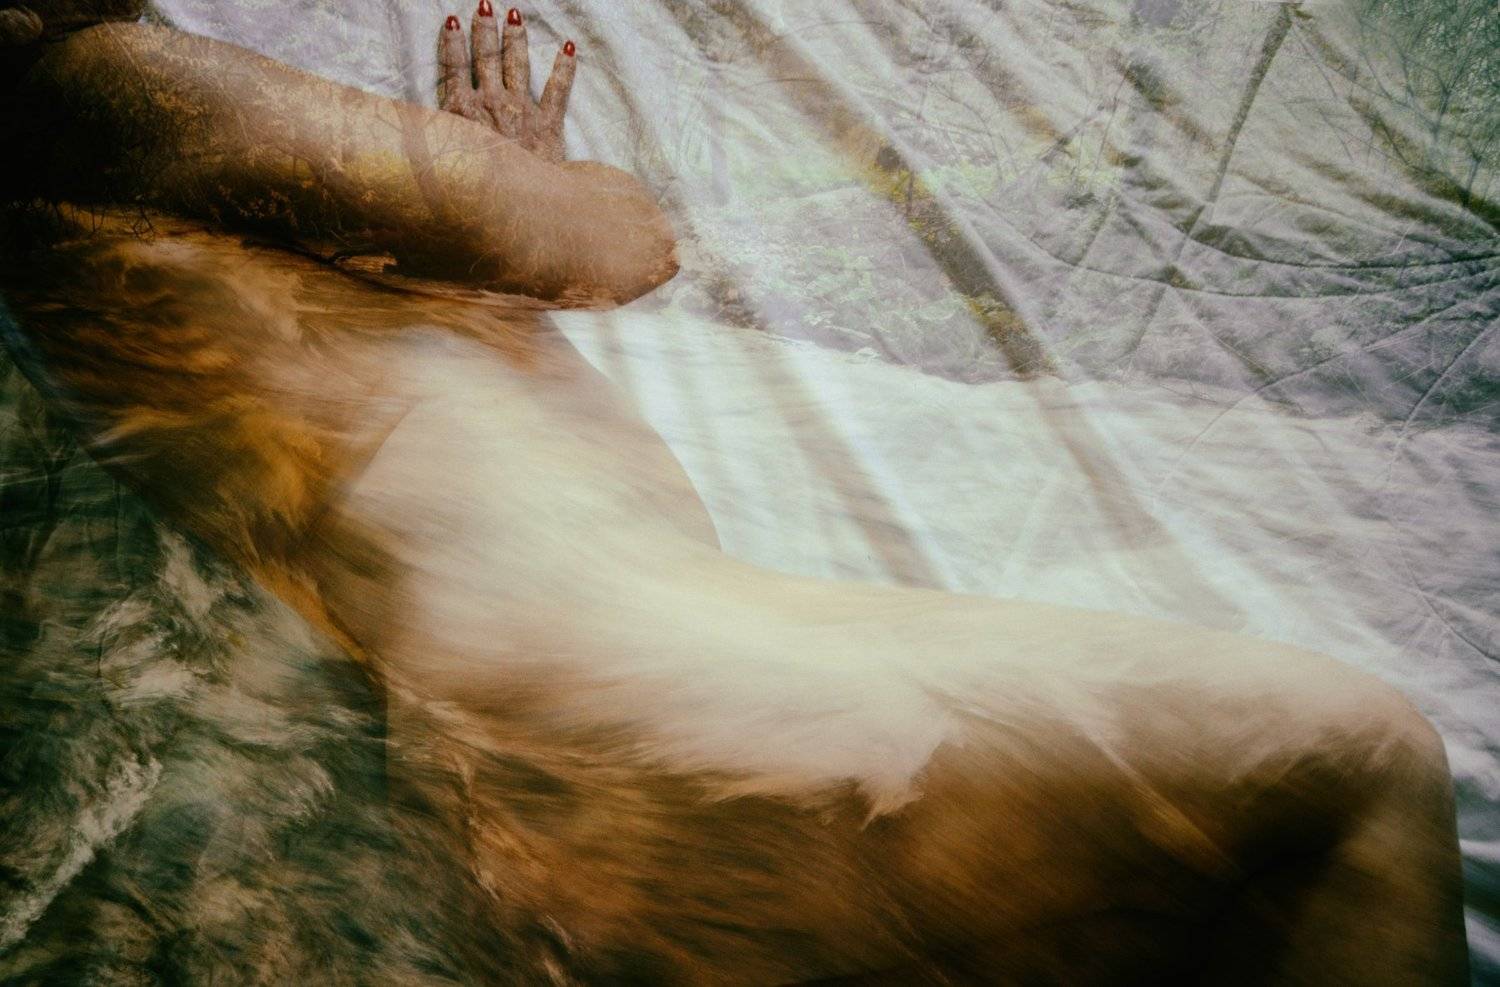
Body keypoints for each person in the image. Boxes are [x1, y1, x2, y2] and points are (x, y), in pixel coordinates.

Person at [0, 4, 1470, 983]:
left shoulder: (95, 171)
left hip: (565, 734)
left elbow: (366, 392)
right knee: (1355, 760)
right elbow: (619, 243)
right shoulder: (88, 83)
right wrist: (508, 202)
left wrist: (461, 239)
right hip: (618, 706)